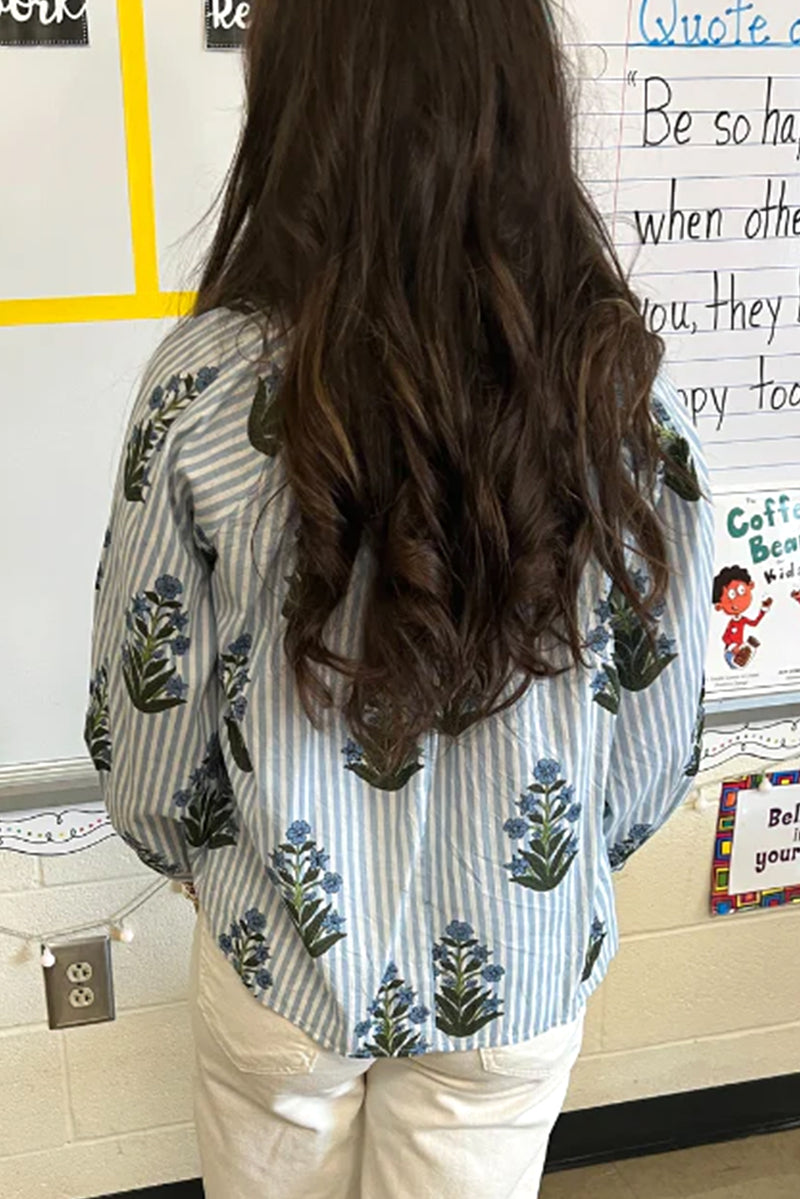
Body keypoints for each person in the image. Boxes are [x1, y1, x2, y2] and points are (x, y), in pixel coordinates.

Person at [83, 2, 714, 1196]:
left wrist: (228, 872)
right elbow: (651, 744)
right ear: (522, 102)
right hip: (515, 983)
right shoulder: (617, 394)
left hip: (283, 962)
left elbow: (146, 744)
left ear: (298, 103)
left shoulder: (206, 388)